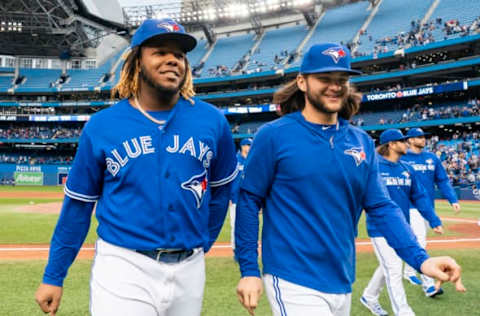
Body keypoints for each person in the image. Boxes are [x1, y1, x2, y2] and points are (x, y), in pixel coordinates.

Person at [234, 43, 465, 316]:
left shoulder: (362, 141)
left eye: (342, 80)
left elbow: (381, 207)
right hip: (291, 275)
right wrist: (249, 269)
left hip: (342, 276)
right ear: (302, 82)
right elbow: (249, 200)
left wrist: (421, 260)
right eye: (324, 79)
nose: (335, 86)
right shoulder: (273, 135)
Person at [35, 18, 237, 316]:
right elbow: (77, 207)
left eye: (180, 55)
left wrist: (203, 241)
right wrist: (54, 275)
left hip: (190, 270)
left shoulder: (212, 121)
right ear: (136, 62)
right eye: (159, 51)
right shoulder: (102, 126)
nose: (173, 60)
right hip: (124, 266)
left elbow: (221, 192)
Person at [361, 129, 444, 316]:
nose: (406, 143)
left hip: (401, 228)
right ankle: (404, 312)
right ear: (390, 144)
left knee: (388, 266)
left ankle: (369, 296)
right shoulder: (373, 168)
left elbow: (420, 197)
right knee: (393, 269)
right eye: (401, 141)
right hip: (379, 228)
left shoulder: (407, 169)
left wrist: (433, 220)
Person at [402, 127, 460, 296]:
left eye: (424, 136)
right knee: (420, 242)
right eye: (419, 137)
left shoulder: (432, 158)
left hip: (428, 208)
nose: (423, 139)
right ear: (410, 140)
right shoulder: (402, 157)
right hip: (410, 207)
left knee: (416, 241)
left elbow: (442, 180)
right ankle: (428, 285)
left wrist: (453, 199)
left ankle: (408, 272)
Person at [229, 138, 253, 260]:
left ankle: (246, 252)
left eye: (250, 145)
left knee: (247, 227)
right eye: (248, 145)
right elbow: (229, 179)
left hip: (248, 199)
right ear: (243, 146)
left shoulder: (251, 160)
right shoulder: (234, 160)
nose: (249, 147)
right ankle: (235, 251)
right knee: (234, 226)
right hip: (235, 198)